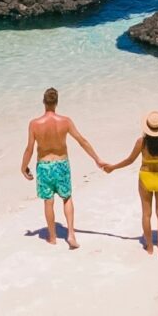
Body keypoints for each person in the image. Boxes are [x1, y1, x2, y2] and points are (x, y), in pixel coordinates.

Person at [20, 87, 102, 248]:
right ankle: (71, 234)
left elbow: (29, 148)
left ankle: (52, 237)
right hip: (62, 164)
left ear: (44, 102)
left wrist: (23, 167)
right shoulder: (65, 121)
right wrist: (96, 159)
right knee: (67, 198)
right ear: (56, 103)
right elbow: (82, 140)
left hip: (44, 166)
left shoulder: (34, 124)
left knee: (48, 201)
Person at [102, 111, 158, 258]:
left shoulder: (141, 142)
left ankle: (150, 247)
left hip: (145, 178)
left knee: (146, 214)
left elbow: (129, 160)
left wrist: (112, 167)